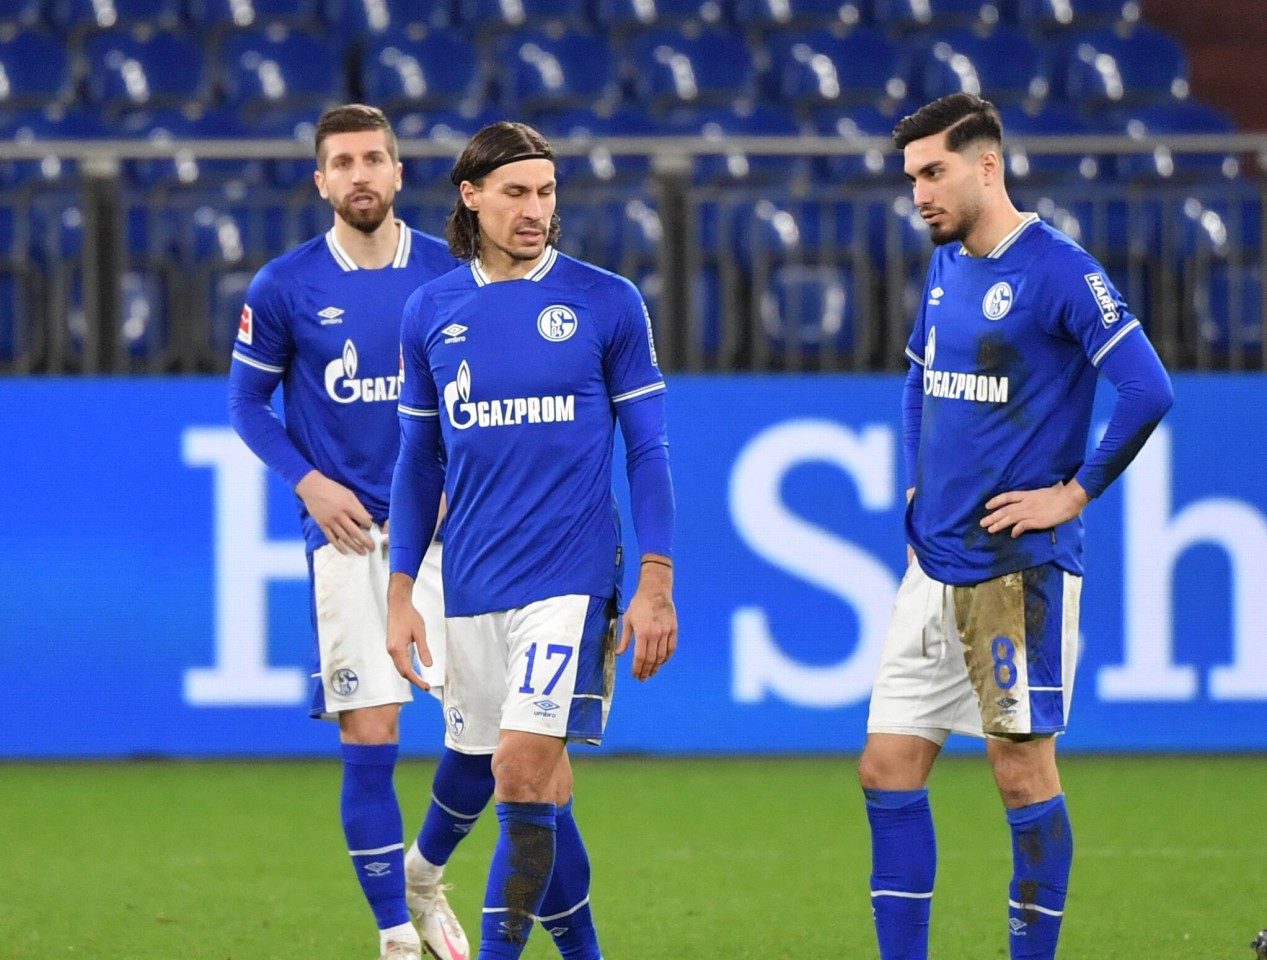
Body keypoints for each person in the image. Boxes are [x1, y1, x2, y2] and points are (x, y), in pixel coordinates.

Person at [858, 92, 1174, 960]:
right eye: (911, 177)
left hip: (1016, 570)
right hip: (934, 562)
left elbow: (1147, 389)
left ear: (985, 165)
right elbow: (919, 377)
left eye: (933, 173)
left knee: (1019, 771)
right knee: (885, 770)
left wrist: (1073, 494)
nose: (919, 192)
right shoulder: (946, 263)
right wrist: (919, 484)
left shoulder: (1059, 270)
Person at [386, 120, 678, 960]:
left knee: (517, 770)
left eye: (546, 192)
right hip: (473, 580)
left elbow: (648, 449)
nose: (534, 210)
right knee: (528, 781)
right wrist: (402, 592)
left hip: (572, 575)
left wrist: (654, 579)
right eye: (515, 192)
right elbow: (418, 460)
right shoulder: (431, 310)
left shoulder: (605, 301)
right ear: (469, 196)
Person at [226, 103, 494, 960]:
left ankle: (425, 870)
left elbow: (488, 382)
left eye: (373, 159)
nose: (359, 176)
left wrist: (464, 475)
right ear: (321, 182)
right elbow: (245, 404)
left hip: (454, 535)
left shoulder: (452, 269)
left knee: (487, 740)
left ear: (398, 172)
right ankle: (392, 935)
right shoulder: (283, 286)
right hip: (349, 540)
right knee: (370, 733)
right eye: (341, 164)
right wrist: (308, 483)